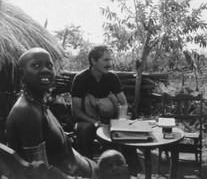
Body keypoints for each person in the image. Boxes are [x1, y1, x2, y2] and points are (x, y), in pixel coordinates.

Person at [6, 48, 97, 178]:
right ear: (21, 74)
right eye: (36, 65)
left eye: (49, 65)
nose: (45, 70)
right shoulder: (28, 112)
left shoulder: (37, 103)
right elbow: (40, 171)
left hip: (78, 167)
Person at [70, 45, 141, 175]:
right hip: (88, 121)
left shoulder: (112, 78)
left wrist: (121, 120)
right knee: (83, 129)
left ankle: (131, 172)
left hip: (109, 120)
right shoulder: (80, 79)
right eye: (105, 60)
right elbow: (76, 111)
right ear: (93, 61)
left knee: (126, 132)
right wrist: (96, 123)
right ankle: (88, 170)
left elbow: (123, 103)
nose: (109, 64)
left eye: (110, 60)